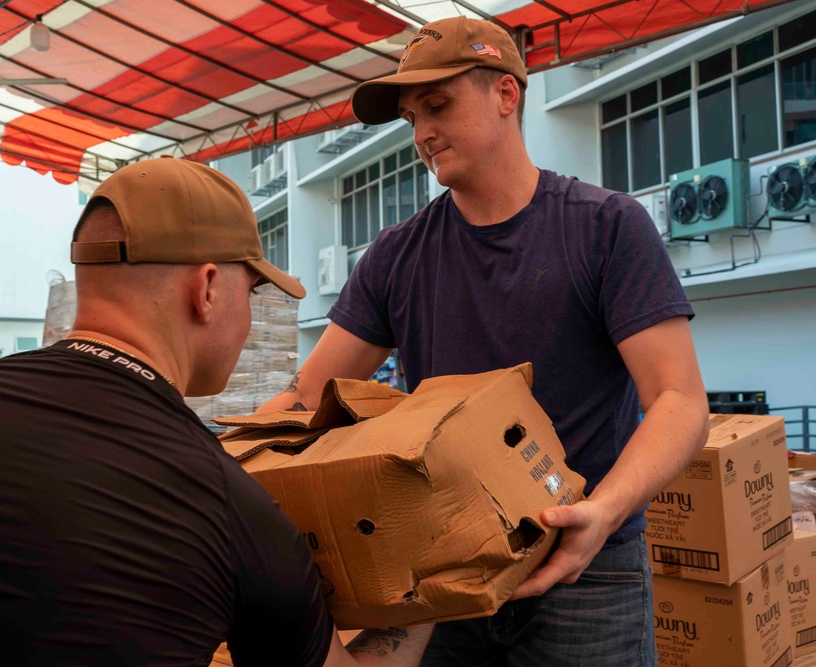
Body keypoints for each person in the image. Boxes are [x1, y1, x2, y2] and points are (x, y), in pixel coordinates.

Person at [0, 157, 433, 666]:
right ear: (209, 289)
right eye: (253, 292)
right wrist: (433, 579)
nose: (248, 318)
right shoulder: (225, 502)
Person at [259, 15, 709, 667]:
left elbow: (679, 398)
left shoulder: (607, 228)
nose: (421, 134)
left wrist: (603, 512)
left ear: (506, 94)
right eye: (411, 116)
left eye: (437, 105)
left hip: (584, 573)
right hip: (447, 577)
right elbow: (308, 395)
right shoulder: (395, 256)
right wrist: (218, 471)